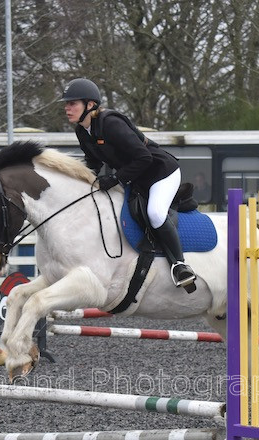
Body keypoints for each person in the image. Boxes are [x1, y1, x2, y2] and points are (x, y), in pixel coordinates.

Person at [61, 78, 196, 291]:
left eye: (72, 103)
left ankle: (180, 265)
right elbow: (94, 163)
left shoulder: (110, 124)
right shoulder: (82, 131)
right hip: (137, 177)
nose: (67, 108)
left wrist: (115, 178)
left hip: (161, 172)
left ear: (89, 105)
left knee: (155, 213)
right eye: (66, 104)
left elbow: (144, 158)